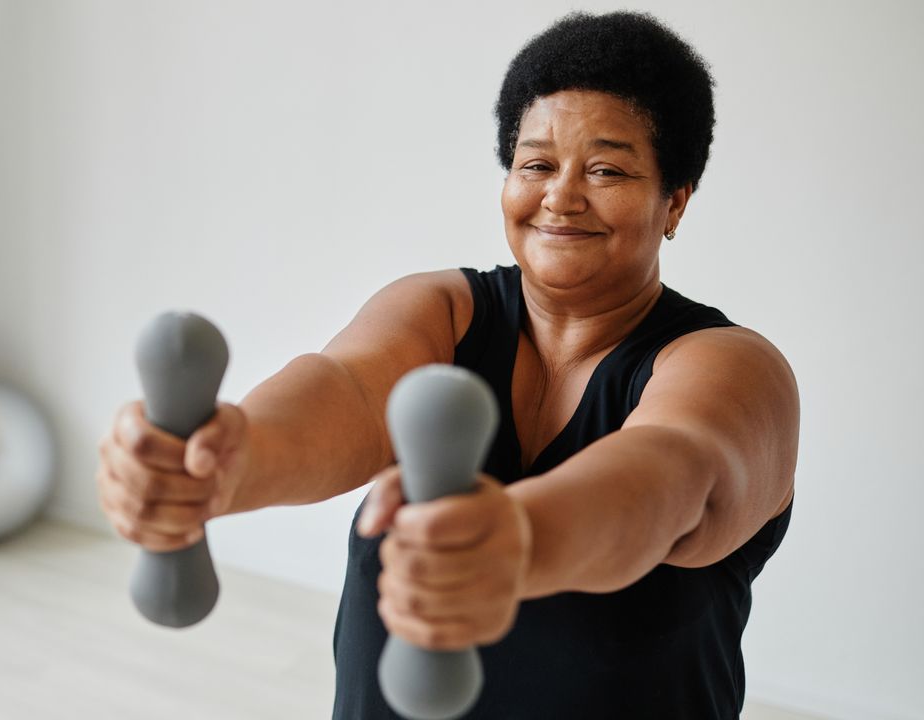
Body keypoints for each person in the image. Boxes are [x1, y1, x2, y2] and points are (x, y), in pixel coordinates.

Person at [96, 10, 797, 719]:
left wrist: (518, 541)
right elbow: (347, 389)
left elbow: (668, 475)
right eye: (536, 164)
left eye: (607, 169)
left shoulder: (733, 368)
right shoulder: (442, 309)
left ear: (673, 201)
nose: (560, 195)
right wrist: (226, 465)